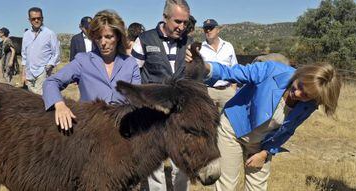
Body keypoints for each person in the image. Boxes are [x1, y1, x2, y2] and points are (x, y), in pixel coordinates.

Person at [194, 56, 341, 190]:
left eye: (306, 95)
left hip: (261, 144)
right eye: (300, 86)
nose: (297, 94)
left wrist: (265, 153)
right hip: (232, 130)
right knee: (226, 186)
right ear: (301, 73)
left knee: (257, 188)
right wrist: (206, 67)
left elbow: (287, 130)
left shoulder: (309, 105)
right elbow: (233, 72)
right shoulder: (272, 70)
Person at [42, 10, 141, 131]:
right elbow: (51, 82)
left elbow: (137, 100)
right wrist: (59, 104)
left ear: (118, 37)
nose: (103, 42)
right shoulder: (83, 61)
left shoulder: (131, 64)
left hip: (121, 132)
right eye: (99, 37)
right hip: (89, 131)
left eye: (109, 37)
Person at [131, 0, 191, 190]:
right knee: (154, 163)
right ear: (165, 18)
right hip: (152, 111)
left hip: (180, 112)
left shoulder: (188, 42)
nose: (182, 27)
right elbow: (132, 73)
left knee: (181, 160)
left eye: (185, 23)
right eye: (177, 22)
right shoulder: (145, 40)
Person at [199, 19, 238, 111]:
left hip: (227, 91)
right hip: (208, 92)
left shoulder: (228, 46)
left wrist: (233, 89)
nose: (208, 31)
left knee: (229, 121)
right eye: (206, 29)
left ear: (218, 30)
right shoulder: (200, 48)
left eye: (211, 28)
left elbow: (234, 68)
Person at [22, 7, 60, 95]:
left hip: (42, 73)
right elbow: (24, 55)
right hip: (29, 73)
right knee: (29, 98)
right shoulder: (26, 35)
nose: (36, 20)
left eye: (39, 18)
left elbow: (56, 53)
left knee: (40, 100)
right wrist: (23, 74)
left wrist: (48, 67)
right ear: (29, 20)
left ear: (42, 18)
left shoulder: (50, 34)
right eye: (33, 19)